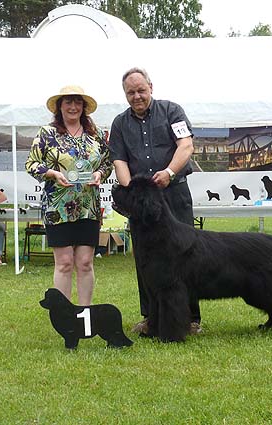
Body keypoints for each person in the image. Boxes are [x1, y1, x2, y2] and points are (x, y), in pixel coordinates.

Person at [109, 67, 202, 335]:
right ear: (125, 94)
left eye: (141, 90)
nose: (137, 96)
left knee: (186, 256)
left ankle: (191, 318)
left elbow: (186, 145)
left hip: (174, 193)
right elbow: (119, 160)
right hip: (142, 204)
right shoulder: (120, 123)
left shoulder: (172, 111)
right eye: (131, 92)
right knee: (146, 258)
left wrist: (170, 173)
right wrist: (132, 193)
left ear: (151, 87)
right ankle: (152, 316)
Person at [25, 85, 112, 306]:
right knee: (63, 263)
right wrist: (52, 173)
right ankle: (64, 316)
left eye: (77, 102)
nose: (73, 107)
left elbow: (108, 163)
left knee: (85, 263)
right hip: (57, 208)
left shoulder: (97, 135)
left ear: (84, 107)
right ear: (59, 106)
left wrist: (100, 173)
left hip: (88, 207)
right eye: (68, 102)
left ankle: (85, 314)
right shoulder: (46, 133)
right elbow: (31, 164)